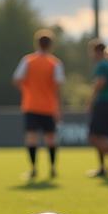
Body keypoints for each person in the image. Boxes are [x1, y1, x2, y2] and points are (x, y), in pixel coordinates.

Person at [12, 29, 64, 180]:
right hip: (49, 106)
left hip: (31, 105)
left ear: (37, 43)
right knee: (51, 138)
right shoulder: (55, 63)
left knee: (31, 138)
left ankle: (33, 169)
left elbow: (16, 79)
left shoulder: (28, 60)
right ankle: (53, 168)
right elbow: (58, 86)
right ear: (51, 45)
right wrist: (58, 108)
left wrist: (27, 88)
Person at [87, 39, 108, 178]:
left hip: (104, 104)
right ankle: (102, 168)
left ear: (96, 51)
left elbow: (100, 83)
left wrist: (91, 100)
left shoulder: (102, 65)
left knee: (93, 137)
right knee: (102, 136)